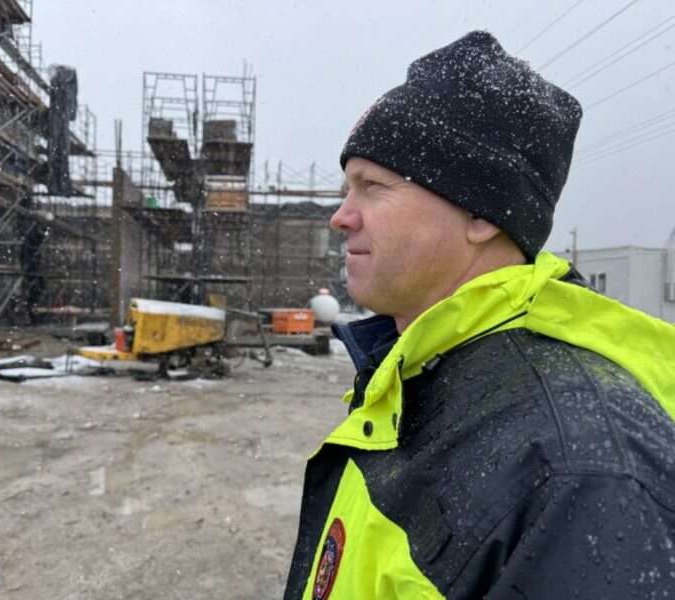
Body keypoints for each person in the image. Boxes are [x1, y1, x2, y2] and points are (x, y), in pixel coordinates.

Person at [283, 31, 675, 600]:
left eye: (372, 187)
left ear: (482, 214)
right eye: (348, 188)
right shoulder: (422, 375)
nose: (341, 216)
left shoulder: (580, 469)